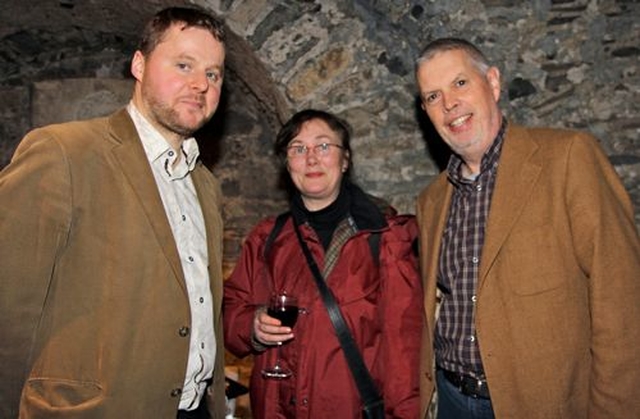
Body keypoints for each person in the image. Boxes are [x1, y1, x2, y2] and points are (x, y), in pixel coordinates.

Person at [0, 6, 228, 419]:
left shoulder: (205, 185)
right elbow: (7, 307)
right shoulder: (63, 154)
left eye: (213, 74)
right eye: (183, 65)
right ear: (139, 65)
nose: (200, 84)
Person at [414, 37, 640, 419]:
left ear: (494, 83)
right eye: (432, 96)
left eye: (460, 83)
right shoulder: (432, 201)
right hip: (451, 399)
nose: (449, 103)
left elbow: (623, 304)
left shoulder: (568, 158)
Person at [223, 109, 422, 418]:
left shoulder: (384, 238)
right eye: (298, 149)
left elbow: (404, 355)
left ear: (345, 161)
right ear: (288, 164)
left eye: (324, 146)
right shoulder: (266, 238)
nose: (311, 158)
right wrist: (252, 325)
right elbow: (230, 310)